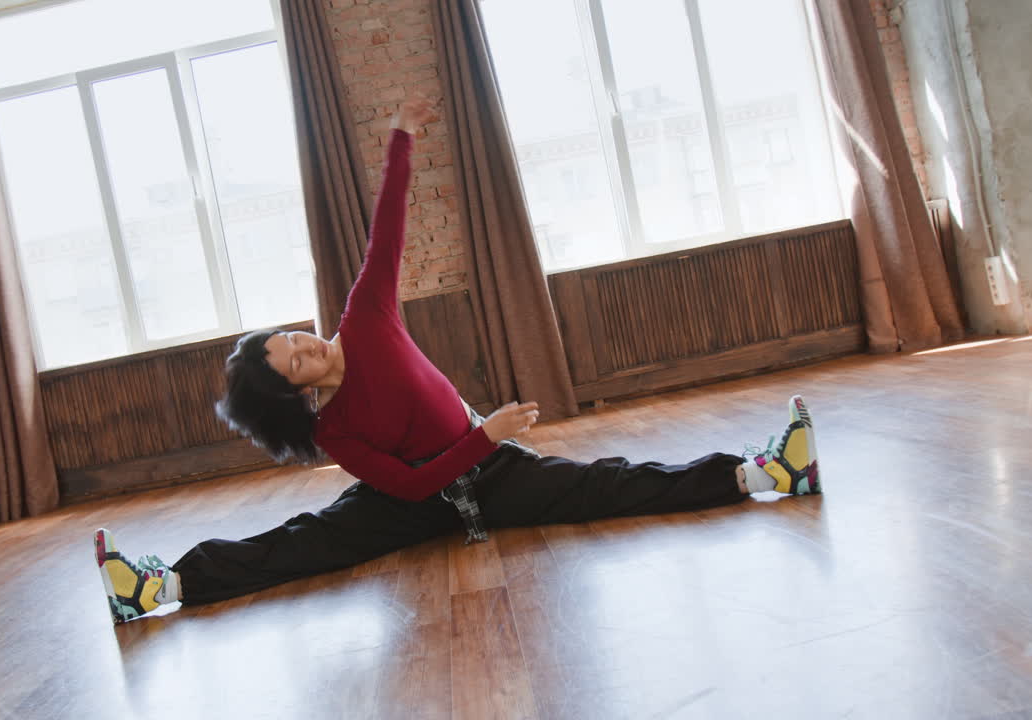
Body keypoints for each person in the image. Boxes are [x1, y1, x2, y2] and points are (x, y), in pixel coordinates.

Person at [94, 98, 821, 625]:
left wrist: (401, 138)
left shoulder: (365, 319)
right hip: (420, 495)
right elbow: (411, 488)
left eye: (293, 337)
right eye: (293, 363)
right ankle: (161, 588)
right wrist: (490, 433)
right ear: (296, 391)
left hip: (493, 472)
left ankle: (767, 473)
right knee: (304, 542)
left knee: (611, 484)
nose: (307, 348)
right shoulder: (338, 434)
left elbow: (388, 232)